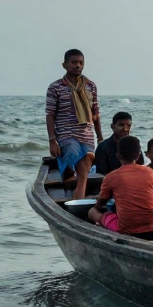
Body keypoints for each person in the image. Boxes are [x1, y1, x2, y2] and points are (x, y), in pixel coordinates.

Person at [45, 49, 103, 200]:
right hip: (66, 135)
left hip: (87, 136)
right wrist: (52, 140)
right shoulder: (55, 87)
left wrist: (100, 137)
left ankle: (78, 202)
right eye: (74, 62)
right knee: (79, 169)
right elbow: (50, 114)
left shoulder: (90, 86)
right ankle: (78, 201)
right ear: (64, 65)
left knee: (84, 170)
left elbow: (96, 113)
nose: (78, 65)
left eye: (81, 63)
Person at [88, 136, 153, 240]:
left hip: (126, 230)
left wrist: (97, 207)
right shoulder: (150, 172)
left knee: (92, 212)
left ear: (118, 155)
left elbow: (101, 203)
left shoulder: (111, 177)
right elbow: (152, 196)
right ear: (138, 155)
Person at [93, 111, 142, 175]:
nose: (125, 129)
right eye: (121, 125)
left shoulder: (134, 145)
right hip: (110, 181)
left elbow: (141, 168)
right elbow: (101, 174)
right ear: (112, 126)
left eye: (128, 125)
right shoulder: (103, 147)